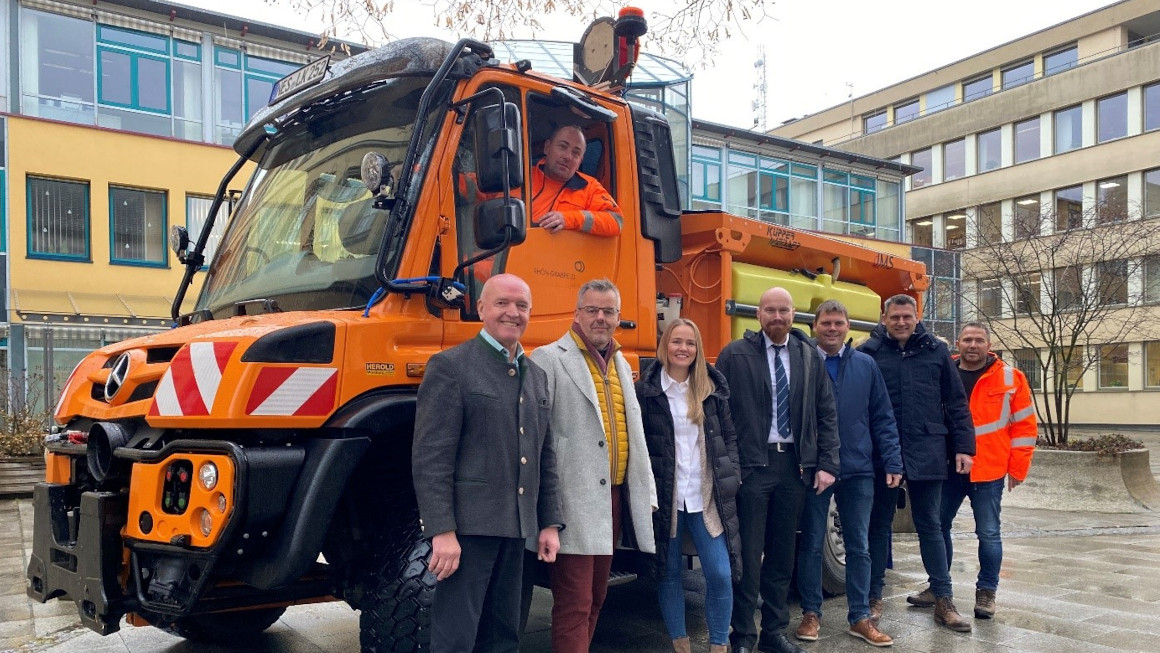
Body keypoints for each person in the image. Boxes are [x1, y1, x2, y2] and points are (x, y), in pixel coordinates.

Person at [411, 273, 563, 652]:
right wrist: (441, 531)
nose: (512, 313)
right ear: (480, 309)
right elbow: (431, 458)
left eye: (521, 306)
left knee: (504, 636)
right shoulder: (451, 366)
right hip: (467, 533)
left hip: (517, 530)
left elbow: (545, 455)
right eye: (502, 303)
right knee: (456, 639)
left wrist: (549, 522)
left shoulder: (538, 377)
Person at [530, 278, 657, 653]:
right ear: (577, 312)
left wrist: (644, 492)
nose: (600, 318)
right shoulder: (549, 359)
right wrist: (547, 512)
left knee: (598, 598)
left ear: (618, 317)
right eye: (592, 310)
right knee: (574, 603)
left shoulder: (619, 361)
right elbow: (538, 441)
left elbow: (634, 433)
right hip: (571, 504)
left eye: (608, 311)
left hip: (613, 500)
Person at [716, 286, 840, 653]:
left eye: (783, 310)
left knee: (782, 556)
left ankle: (774, 632)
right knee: (748, 557)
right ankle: (743, 636)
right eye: (770, 310)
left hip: (794, 468)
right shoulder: (734, 355)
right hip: (753, 468)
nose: (777, 317)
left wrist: (828, 463)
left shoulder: (807, 355)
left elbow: (826, 412)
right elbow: (718, 414)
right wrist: (729, 466)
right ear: (758, 314)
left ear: (793, 314)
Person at [858, 294, 975, 633]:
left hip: (928, 448)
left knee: (931, 526)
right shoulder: (869, 353)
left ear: (916, 316)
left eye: (907, 316)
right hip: (883, 453)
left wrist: (964, 447)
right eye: (895, 317)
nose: (901, 322)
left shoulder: (936, 351)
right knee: (877, 527)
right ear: (884, 318)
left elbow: (955, 402)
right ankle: (873, 596)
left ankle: (943, 598)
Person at [794, 300, 902, 648]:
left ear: (848, 326)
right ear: (815, 327)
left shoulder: (866, 366)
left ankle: (860, 617)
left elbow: (883, 416)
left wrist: (893, 461)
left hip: (858, 468)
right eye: (826, 322)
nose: (832, 328)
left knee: (860, 545)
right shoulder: (804, 363)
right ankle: (811, 613)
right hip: (816, 468)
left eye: (838, 322)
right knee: (811, 543)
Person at [636, 318, 742, 653]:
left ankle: (718, 645)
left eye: (690, 343)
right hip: (666, 497)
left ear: (698, 350)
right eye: (677, 341)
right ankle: (680, 644)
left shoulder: (711, 391)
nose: (683, 349)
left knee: (720, 574)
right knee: (668, 574)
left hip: (705, 496)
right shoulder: (647, 392)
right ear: (665, 345)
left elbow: (730, 439)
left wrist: (732, 476)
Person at [920, 322, 1036, 619]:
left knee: (988, 533)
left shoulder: (1011, 378)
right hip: (947, 468)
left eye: (979, 340)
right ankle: (938, 586)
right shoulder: (943, 371)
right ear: (958, 343)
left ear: (989, 344)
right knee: (937, 527)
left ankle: (986, 592)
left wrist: (1018, 467)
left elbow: (1024, 426)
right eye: (967, 339)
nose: (973, 345)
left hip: (989, 468)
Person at [532, 125, 623, 236]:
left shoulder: (590, 187)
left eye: (576, 153)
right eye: (563, 147)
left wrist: (569, 219)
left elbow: (616, 221)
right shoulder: (520, 176)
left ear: (580, 161)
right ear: (547, 147)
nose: (568, 157)